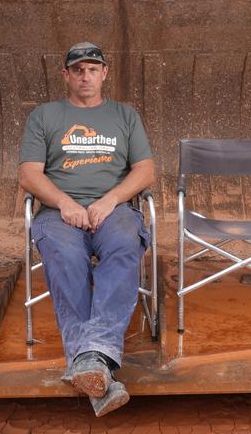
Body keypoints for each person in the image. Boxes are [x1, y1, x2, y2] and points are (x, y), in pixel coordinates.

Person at [18, 42, 155, 416]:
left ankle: (86, 361)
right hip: (59, 213)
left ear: (104, 73)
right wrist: (64, 202)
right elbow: (28, 174)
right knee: (65, 255)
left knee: (127, 243)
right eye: (78, 69)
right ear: (65, 75)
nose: (85, 76)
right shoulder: (45, 116)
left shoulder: (125, 116)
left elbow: (145, 170)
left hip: (112, 211)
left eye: (92, 69)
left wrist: (110, 200)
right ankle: (97, 363)